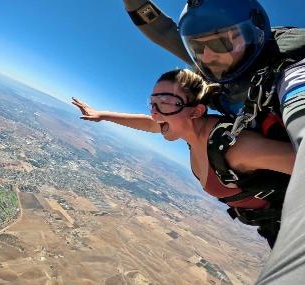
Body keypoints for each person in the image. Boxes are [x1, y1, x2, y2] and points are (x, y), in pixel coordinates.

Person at [122, 1, 305, 283]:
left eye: (220, 42)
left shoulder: (292, 73)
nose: (206, 55)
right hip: (274, 218)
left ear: (253, 32)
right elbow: (162, 31)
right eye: (197, 47)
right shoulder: (217, 74)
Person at [72, 68, 295, 248]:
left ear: (196, 111)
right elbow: (149, 123)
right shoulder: (192, 134)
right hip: (273, 228)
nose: (155, 112)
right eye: (153, 103)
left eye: (167, 103)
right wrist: (102, 115)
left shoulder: (234, 147)